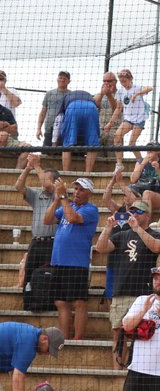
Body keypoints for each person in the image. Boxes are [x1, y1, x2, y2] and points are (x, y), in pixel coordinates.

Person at [94, 199, 160, 367]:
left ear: (147, 215)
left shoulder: (155, 234)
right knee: (118, 333)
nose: (133, 214)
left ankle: (137, 368)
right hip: (121, 291)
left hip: (143, 293)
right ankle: (117, 370)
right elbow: (100, 248)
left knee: (141, 333)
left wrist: (137, 228)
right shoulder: (121, 235)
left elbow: (156, 247)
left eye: (138, 211)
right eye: (132, 211)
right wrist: (108, 227)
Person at [44, 177, 100, 340]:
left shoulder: (91, 209)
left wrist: (63, 198)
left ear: (89, 193)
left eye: (81, 189)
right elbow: (47, 220)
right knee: (60, 302)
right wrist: (56, 200)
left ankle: (78, 339)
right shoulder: (68, 205)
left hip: (76, 263)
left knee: (79, 302)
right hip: (58, 261)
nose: (77, 192)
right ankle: (64, 338)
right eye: (75, 189)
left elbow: (73, 218)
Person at [15, 159, 58, 307]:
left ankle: (49, 302)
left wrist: (37, 165)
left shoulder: (58, 194)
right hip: (36, 241)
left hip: (52, 242)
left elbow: (47, 184)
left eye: (47, 177)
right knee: (29, 271)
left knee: (51, 273)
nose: (43, 181)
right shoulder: (37, 195)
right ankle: (29, 301)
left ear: (55, 181)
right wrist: (28, 168)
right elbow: (18, 186)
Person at [57, 84, 103, 173]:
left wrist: (54, 143)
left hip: (73, 107)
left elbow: (58, 121)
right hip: (91, 108)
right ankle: (88, 173)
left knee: (67, 144)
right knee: (92, 145)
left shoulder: (66, 98)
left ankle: (66, 173)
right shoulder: (88, 96)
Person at [38, 71, 70, 148]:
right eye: (60, 78)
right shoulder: (49, 93)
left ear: (69, 81)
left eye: (65, 78)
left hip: (64, 130)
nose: (62, 80)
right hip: (49, 129)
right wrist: (39, 128)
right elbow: (43, 112)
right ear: (57, 79)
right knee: (46, 153)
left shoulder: (71, 95)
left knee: (62, 153)